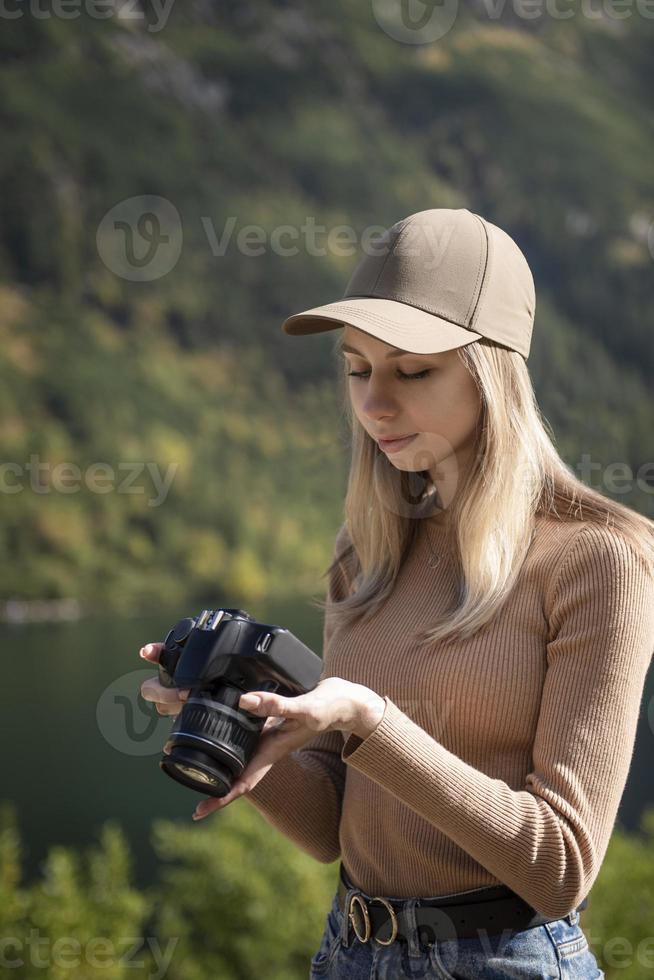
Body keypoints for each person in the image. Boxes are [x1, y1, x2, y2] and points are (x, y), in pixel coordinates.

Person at [139, 208, 654, 979]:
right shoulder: (367, 553)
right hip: (350, 952)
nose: (375, 403)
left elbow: (560, 867)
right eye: (357, 368)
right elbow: (332, 833)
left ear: (492, 371)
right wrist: (242, 730)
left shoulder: (599, 560)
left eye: (412, 371)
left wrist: (368, 718)